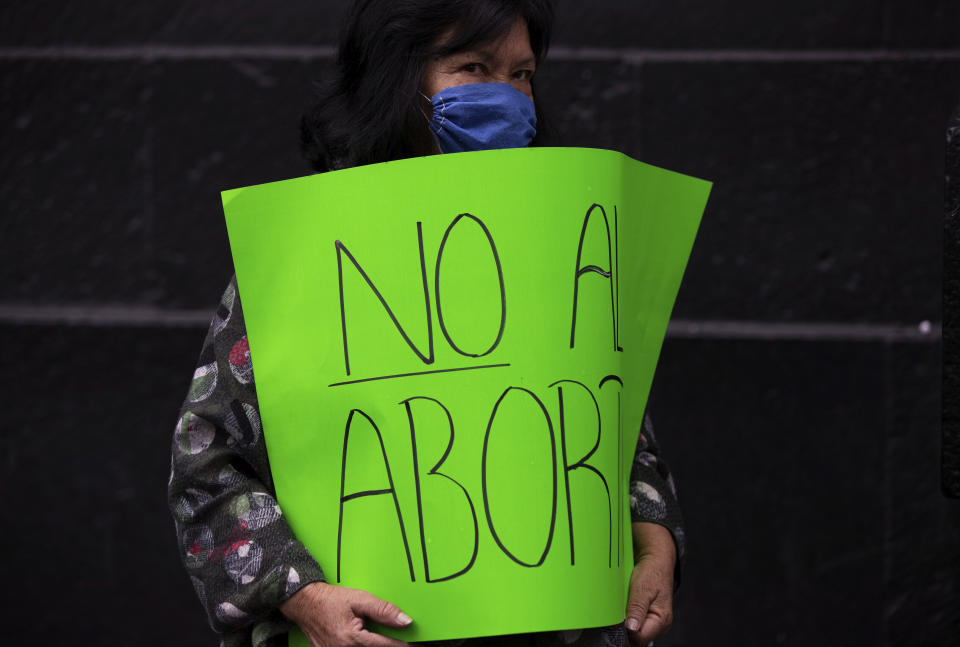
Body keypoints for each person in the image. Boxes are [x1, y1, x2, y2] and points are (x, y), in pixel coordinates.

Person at [168, 2, 685, 646]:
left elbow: (610, 429)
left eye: (522, 74)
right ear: (397, 80)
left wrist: (655, 543)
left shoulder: (561, 247)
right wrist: (302, 595)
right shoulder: (313, 259)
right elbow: (208, 464)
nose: (507, 96)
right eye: (473, 67)